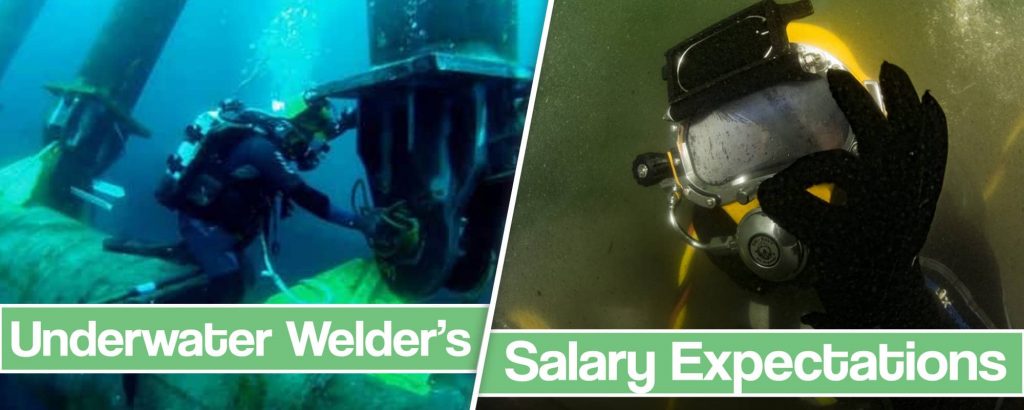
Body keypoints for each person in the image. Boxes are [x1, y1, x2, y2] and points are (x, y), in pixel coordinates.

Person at [632, 0, 1005, 331]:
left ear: (866, 121)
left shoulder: (944, 244)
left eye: (812, 121)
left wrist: (902, 306)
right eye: (735, 144)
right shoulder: (710, 273)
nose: (779, 170)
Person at [106, 93, 376, 303]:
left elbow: (319, 132)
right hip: (206, 230)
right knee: (228, 293)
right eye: (316, 139)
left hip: (216, 229)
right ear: (300, 129)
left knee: (243, 275)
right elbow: (307, 197)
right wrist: (359, 223)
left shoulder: (277, 139)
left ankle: (174, 250)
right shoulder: (263, 150)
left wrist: (348, 122)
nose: (317, 150)